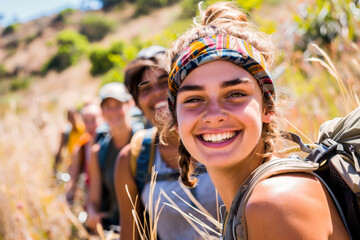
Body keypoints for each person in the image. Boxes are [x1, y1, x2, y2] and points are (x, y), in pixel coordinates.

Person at [163, 2, 350, 239]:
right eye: (194, 99)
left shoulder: (274, 202)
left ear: (267, 107)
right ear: (177, 122)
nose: (214, 114)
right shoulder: (258, 197)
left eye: (235, 94)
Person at [114, 46, 221, 240]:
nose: (157, 93)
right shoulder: (133, 159)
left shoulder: (221, 135)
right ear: (137, 103)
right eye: (145, 89)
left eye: (165, 82)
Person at [86, 82, 133, 233]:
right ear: (102, 111)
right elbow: (94, 200)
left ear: (129, 104)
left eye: (118, 104)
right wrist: (92, 213)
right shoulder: (98, 152)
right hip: (115, 229)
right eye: (107, 106)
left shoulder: (143, 141)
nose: (113, 112)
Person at [66, 102, 106, 204]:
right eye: (86, 121)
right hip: (91, 199)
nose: (90, 125)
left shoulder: (109, 143)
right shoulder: (82, 147)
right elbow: (73, 174)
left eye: (93, 120)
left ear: (103, 118)